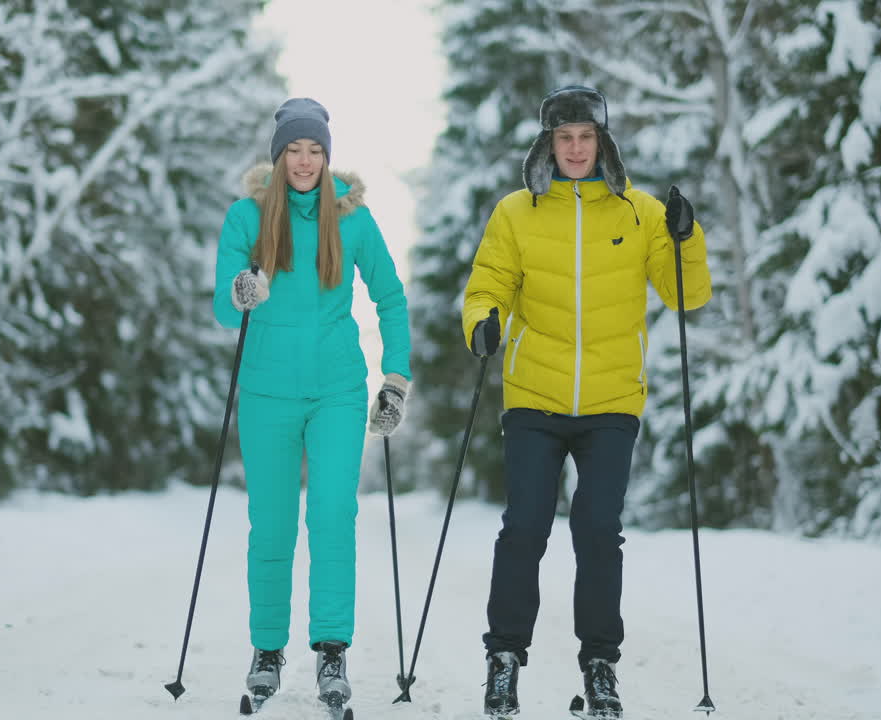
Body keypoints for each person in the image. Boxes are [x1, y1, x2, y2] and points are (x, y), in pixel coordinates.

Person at [461, 85, 712, 719]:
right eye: (564, 138)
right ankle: (504, 659)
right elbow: (488, 284)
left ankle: (600, 666)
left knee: (598, 530)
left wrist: (686, 237)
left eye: (586, 137)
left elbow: (686, 294)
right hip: (534, 397)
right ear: (547, 144)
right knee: (525, 527)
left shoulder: (640, 213)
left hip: (612, 399)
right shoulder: (516, 212)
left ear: (604, 142)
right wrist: (482, 322)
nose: (575, 149)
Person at [212, 97, 412, 711]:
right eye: (294, 150)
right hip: (266, 391)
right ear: (278, 157)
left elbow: (390, 298)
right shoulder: (247, 217)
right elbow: (224, 308)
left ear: (328, 157)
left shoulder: (353, 219)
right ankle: (267, 650)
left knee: (331, 517)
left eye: (315, 150)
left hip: (337, 391)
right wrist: (243, 289)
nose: (304, 161)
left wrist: (395, 378)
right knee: (271, 524)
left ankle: (331, 650)